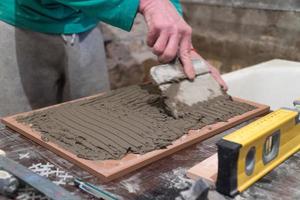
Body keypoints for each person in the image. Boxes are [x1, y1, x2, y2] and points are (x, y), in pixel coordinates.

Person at [0, 0, 226, 117]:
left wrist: (182, 44)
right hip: (20, 22)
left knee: (92, 123)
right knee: (17, 139)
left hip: (85, 26)